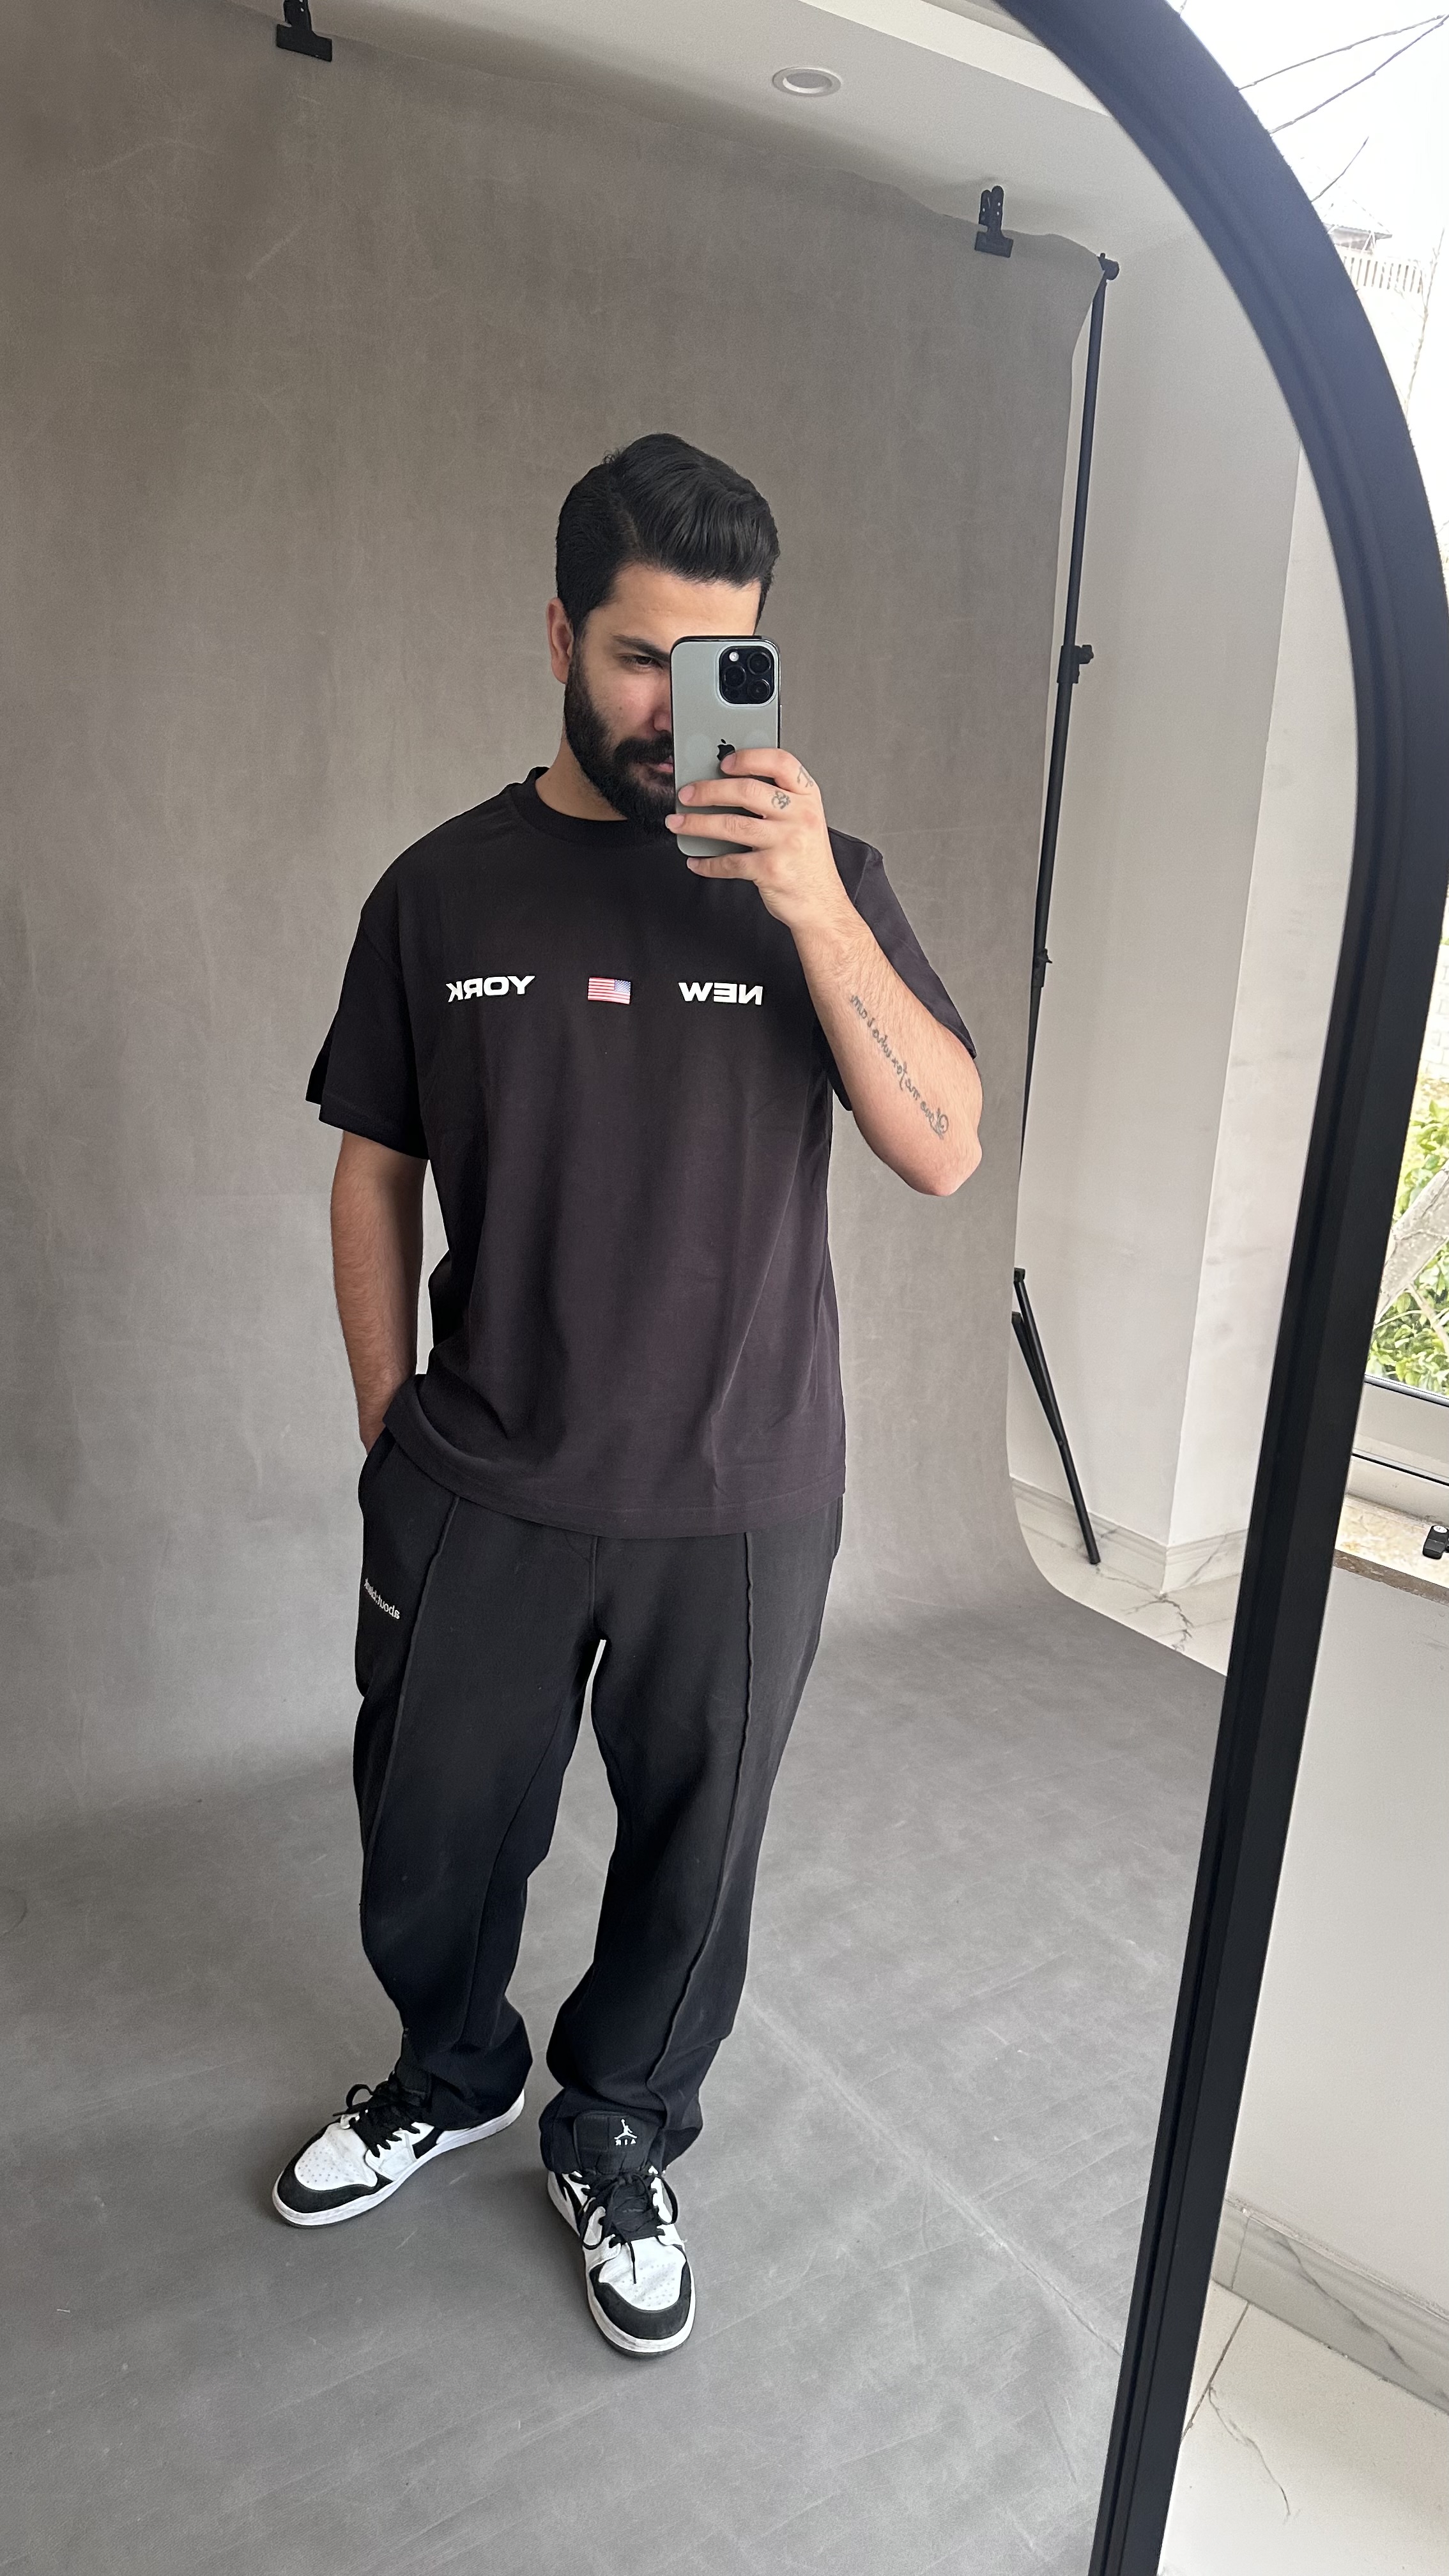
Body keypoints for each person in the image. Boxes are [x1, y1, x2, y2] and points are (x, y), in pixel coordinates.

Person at [274, 432, 982, 2357]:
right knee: (429, 1833)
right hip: (485, 1477)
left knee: (696, 1857)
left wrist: (812, 908)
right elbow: (371, 1165)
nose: (677, 705)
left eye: (721, 661)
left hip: (742, 1495)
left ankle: (618, 2127)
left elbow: (941, 1149)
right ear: (559, 640)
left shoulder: (825, 885)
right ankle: (447, 2073)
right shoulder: (441, 891)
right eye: (639, 658)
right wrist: (389, 1426)